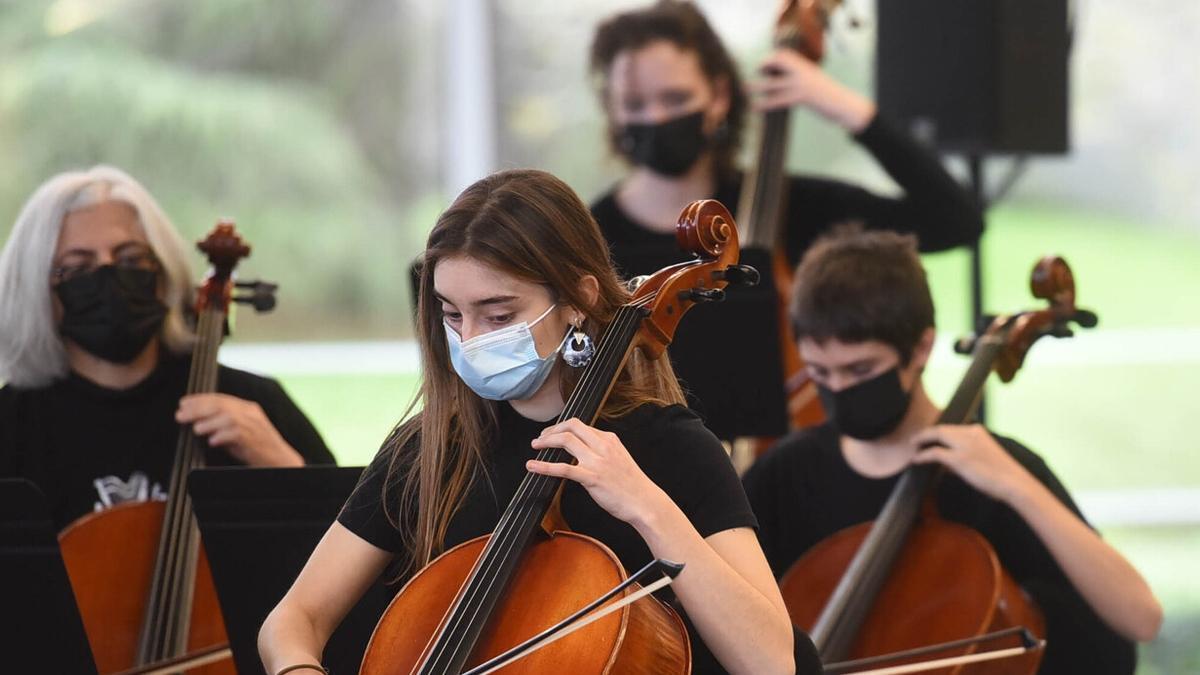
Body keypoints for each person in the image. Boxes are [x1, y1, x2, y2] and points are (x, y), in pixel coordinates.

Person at [258, 169, 801, 675]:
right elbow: (292, 621)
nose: (470, 338)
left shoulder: (672, 447)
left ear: (578, 300)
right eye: (452, 314)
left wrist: (647, 506)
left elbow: (772, 661)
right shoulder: (428, 448)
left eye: (498, 316)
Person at [742, 229, 1163, 673]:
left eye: (860, 368)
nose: (840, 388)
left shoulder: (996, 471)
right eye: (819, 372)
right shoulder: (783, 474)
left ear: (921, 347)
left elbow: (1141, 616)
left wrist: (1015, 485)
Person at [588, 1, 983, 440]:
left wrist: (848, 110)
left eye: (676, 98)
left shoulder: (797, 208)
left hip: (787, 465)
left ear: (719, 97)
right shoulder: (587, 238)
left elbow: (954, 221)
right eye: (636, 103)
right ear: (612, 108)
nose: (657, 118)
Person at [0, 165, 335, 530]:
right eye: (79, 268)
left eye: (130, 260)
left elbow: (365, 565)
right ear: (37, 290)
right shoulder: (13, 426)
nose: (111, 278)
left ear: (164, 273)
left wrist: (283, 464)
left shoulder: (250, 405)